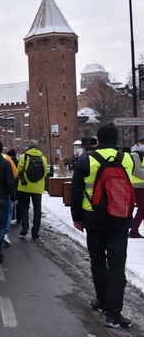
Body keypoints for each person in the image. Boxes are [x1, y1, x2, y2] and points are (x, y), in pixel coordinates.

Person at [71, 123, 134, 329]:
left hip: (94, 218)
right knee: (117, 265)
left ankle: (101, 300)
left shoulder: (86, 159)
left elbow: (76, 191)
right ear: (117, 140)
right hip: (120, 217)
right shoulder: (127, 158)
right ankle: (114, 314)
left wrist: (77, 217)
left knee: (98, 260)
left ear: (97, 139)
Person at [17, 139, 47, 239]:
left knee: (24, 207)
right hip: (38, 188)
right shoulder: (43, 158)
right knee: (37, 209)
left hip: (25, 187)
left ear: (28, 146)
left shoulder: (24, 157)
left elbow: (19, 170)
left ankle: (25, 228)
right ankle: (35, 232)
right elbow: (45, 172)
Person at [128, 149, 144, 239]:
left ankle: (134, 230)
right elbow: (137, 171)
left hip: (140, 186)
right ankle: (133, 231)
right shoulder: (136, 155)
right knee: (141, 209)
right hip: (138, 186)